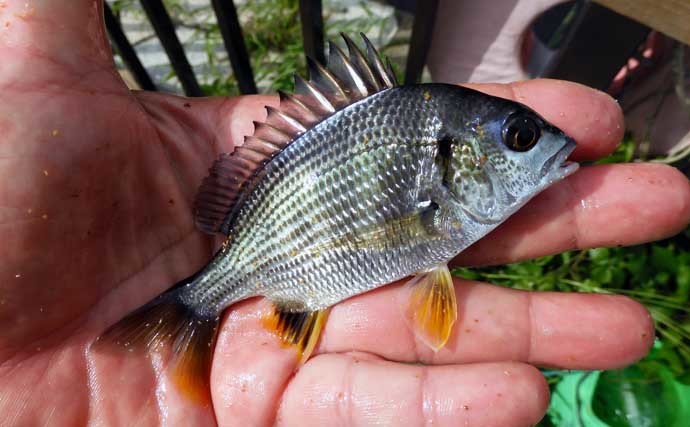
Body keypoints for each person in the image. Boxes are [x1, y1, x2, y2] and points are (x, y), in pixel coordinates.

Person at [1, 1, 689, 426]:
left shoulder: (439, 187)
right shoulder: (424, 183)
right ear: (454, 160)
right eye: (517, 139)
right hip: (266, 257)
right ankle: (187, 313)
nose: (541, 148)